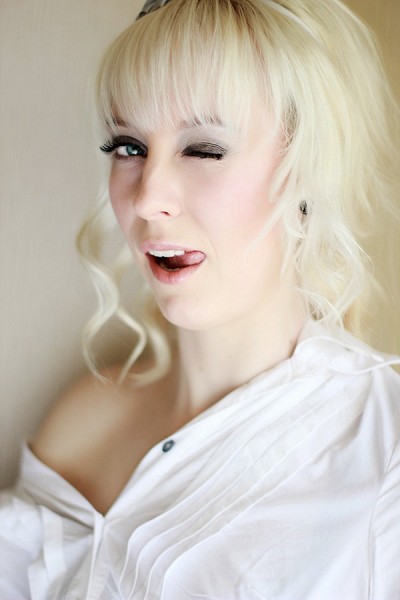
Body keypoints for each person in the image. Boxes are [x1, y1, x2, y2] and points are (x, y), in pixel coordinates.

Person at [1, 0, 399, 598]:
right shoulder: (80, 421)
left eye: (204, 149)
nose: (147, 198)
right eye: (128, 146)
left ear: (305, 171)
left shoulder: (385, 458)